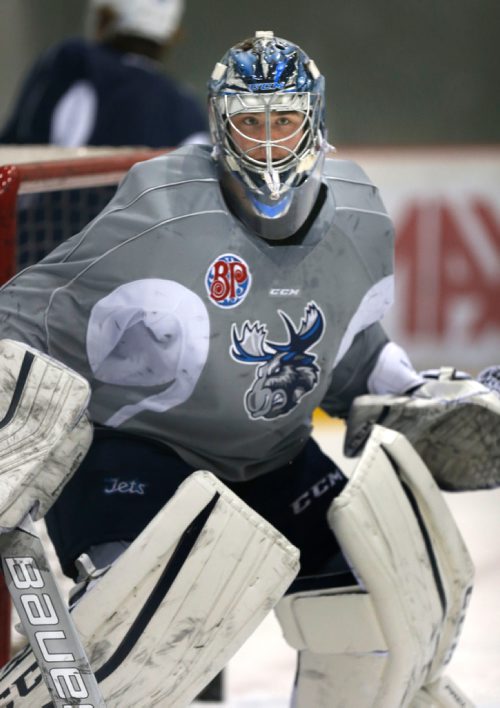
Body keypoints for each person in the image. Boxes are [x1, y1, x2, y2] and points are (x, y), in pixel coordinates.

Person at [0, 30, 497, 706]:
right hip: (140, 460)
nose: (268, 141)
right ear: (219, 121)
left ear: (315, 122)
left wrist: (405, 388)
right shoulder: (161, 210)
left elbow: (346, 341)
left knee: (380, 614)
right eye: (251, 121)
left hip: (274, 461)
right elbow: (28, 313)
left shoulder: (356, 214)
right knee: (146, 630)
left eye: (284, 120)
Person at [0, 0, 209, 148]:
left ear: (103, 17)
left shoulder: (74, 63)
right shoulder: (187, 106)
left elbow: (19, 148)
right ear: (173, 34)